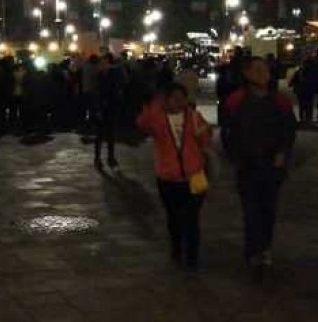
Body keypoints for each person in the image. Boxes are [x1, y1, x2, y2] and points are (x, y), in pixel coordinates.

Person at [227, 57, 297, 269]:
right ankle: (253, 250)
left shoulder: (280, 101)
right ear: (246, 74)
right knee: (250, 209)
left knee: (268, 208)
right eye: (256, 71)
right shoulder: (236, 100)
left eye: (265, 71)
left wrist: (282, 152)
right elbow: (230, 131)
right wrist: (236, 155)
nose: (262, 75)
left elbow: (289, 130)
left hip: (272, 164)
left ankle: (264, 246)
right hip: (247, 164)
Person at [136, 83, 213, 271]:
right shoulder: (157, 119)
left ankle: (192, 257)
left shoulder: (194, 117)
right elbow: (142, 124)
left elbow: (205, 139)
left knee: (192, 218)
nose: (179, 101)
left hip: (193, 175)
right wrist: (154, 105)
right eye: (174, 97)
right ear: (166, 99)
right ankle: (177, 247)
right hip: (168, 176)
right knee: (173, 217)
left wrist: (201, 143)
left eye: (182, 97)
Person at [94, 54, 125, 170]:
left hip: (111, 107)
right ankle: (97, 157)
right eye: (102, 63)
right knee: (100, 135)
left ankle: (110, 157)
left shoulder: (114, 75)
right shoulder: (99, 77)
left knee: (111, 134)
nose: (103, 65)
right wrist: (97, 109)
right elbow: (96, 94)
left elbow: (118, 89)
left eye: (106, 63)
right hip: (102, 108)